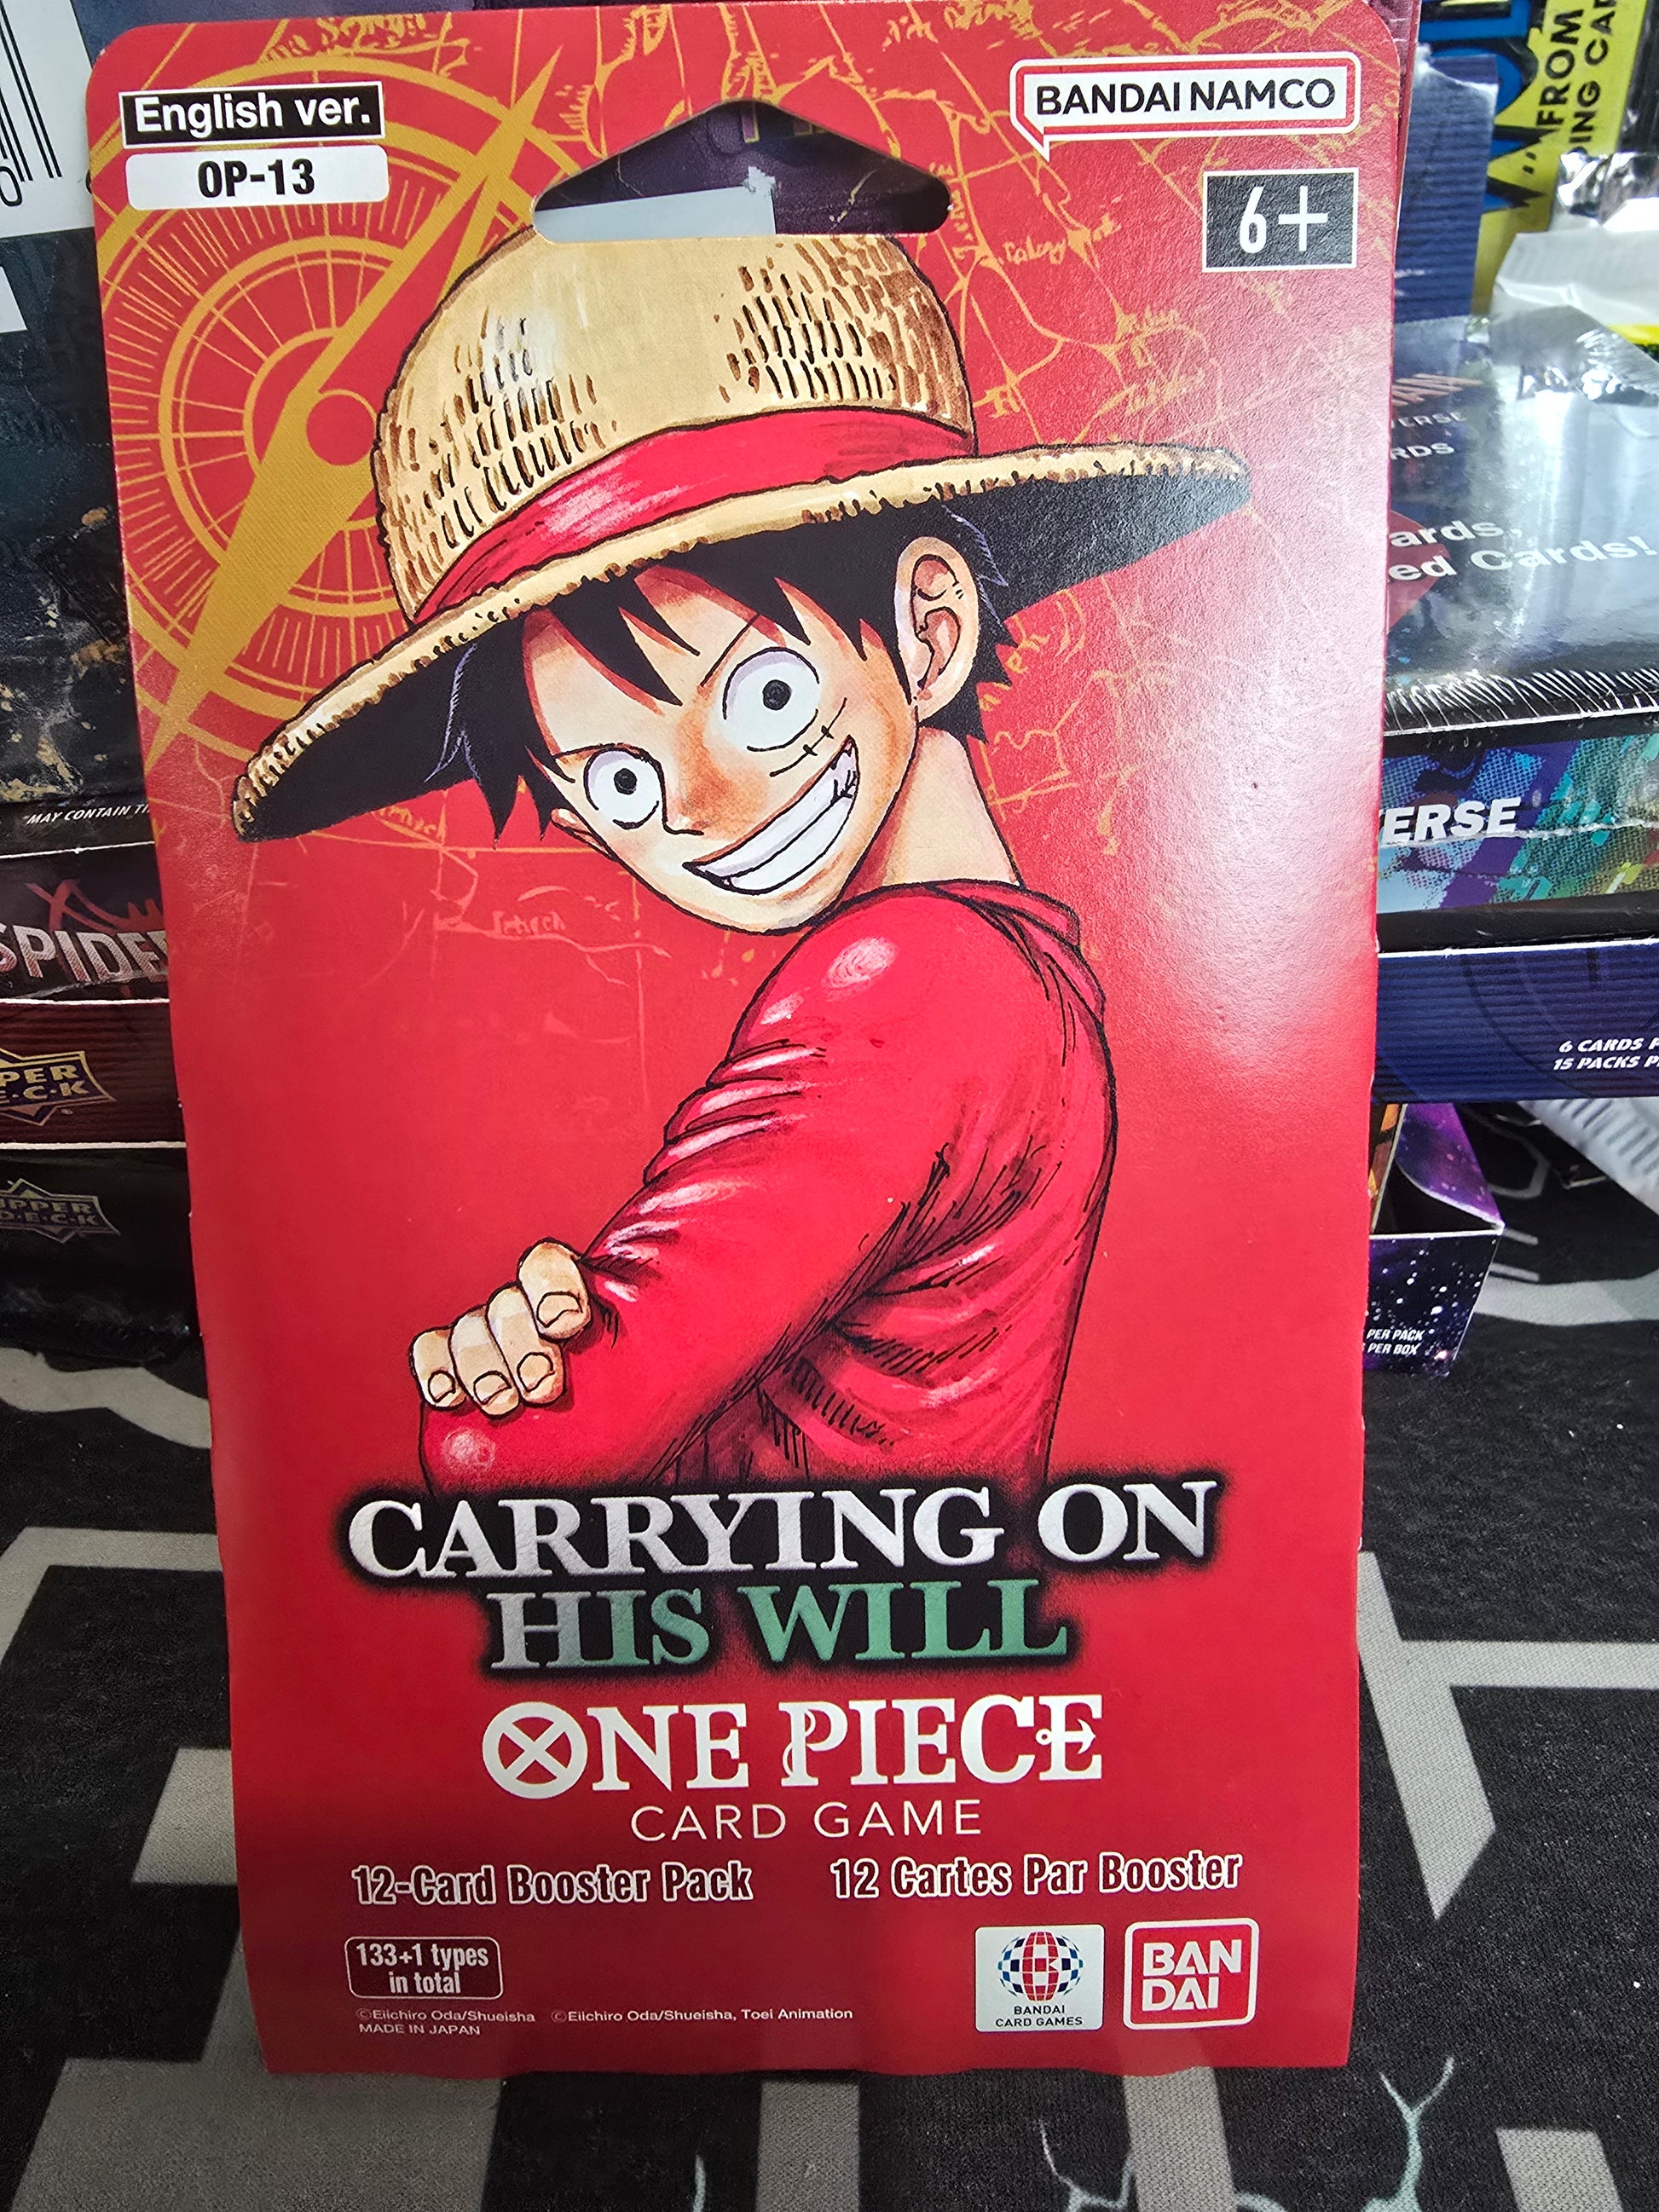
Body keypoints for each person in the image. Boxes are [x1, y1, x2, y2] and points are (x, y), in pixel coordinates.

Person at [228, 228, 1247, 1493]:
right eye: (621, 780)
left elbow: (518, 1463)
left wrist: (504, 1401)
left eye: (764, 695)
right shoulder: (1026, 972)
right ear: (574, 812)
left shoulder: (908, 981)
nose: (707, 811)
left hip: (768, 1599)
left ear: (929, 632)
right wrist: (549, 1347)